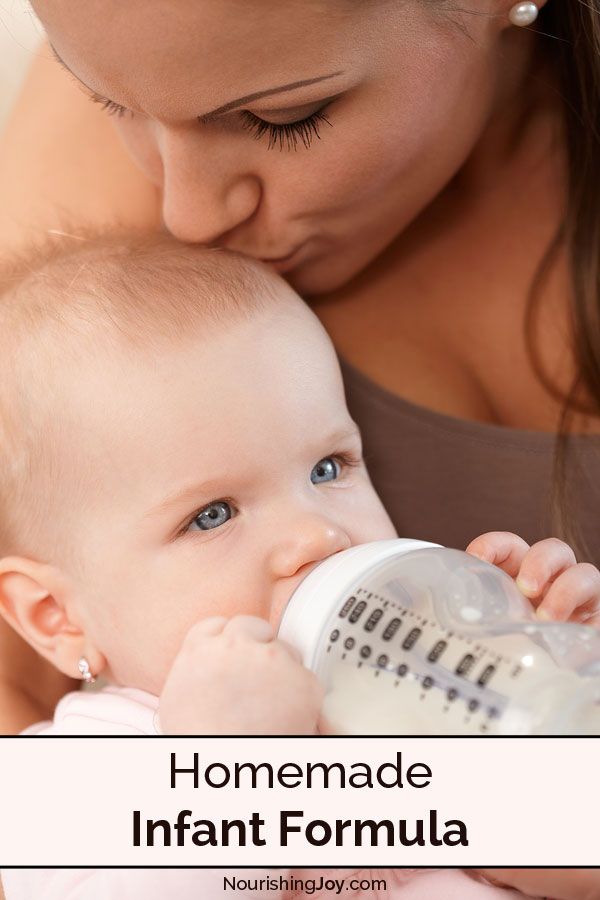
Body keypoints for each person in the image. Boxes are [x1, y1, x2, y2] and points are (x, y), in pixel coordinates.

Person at [0, 0, 599, 733]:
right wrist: (237, 768)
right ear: (58, 616)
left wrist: (529, 661)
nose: (186, 220)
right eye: (111, 104)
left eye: (330, 469)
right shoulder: (100, 757)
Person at [2, 232, 595, 899]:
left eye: (327, 468)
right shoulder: (76, 779)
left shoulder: (406, 706)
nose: (318, 535)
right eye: (212, 514)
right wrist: (225, 774)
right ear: (58, 617)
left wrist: (537, 681)